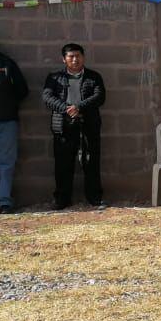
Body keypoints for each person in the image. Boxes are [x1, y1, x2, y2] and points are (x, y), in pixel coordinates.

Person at [42, 43, 107, 210]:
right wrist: (67, 109)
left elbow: (99, 97)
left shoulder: (94, 77)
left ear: (83, 57)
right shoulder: (55, 78)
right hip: (63, 126)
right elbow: (47, 97)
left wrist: (79, 107)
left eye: (78, 56)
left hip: (88, 125)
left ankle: (95, 198)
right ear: (64, 59)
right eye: (71, 56)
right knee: (63, 163)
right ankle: (62, 199)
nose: (75, 59)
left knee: (90, 161)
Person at [0, 46, 29, 214]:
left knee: (6, 162)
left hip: (6, 121)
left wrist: (8, 104)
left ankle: (4, 201)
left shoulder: (7, 63)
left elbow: (22, 90)